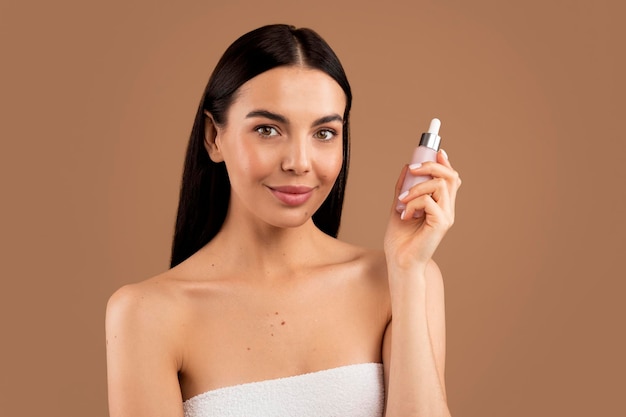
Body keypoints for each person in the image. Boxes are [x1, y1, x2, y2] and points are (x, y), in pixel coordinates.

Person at [106, 24, 461, 417]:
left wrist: (408, 271)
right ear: (213, 136)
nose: (299, 162)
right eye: (267, 129)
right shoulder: (147, 314)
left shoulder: (403, 283)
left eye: (324, 133)